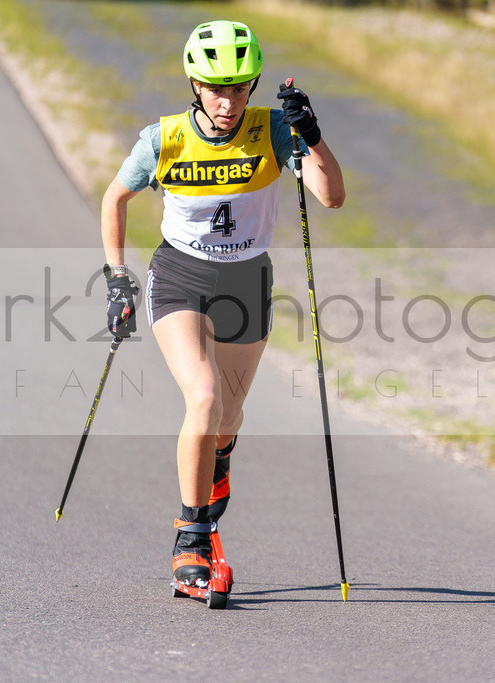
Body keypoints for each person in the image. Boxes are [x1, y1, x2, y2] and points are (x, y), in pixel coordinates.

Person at [99, 20, 345, 589]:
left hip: (247, 282)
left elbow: (331, 197)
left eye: (238, 87)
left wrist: (311, 135)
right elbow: (115, 198)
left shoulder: (274, 130)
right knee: (204, 397)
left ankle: (219, 465)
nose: (227, 100)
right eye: (215, 87)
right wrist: (117, 278)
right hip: (180, 276)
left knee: (228, 420)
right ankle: (191, 538)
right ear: (194, 84)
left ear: (252, 86)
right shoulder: (162, 139)